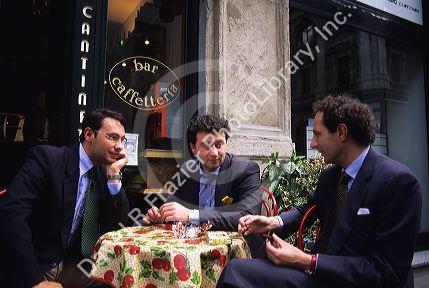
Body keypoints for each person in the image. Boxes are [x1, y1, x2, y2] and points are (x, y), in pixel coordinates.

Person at [217, 95, 422, 288]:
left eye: (317, 134)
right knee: (237, 269)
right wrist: (272, 222)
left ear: (341, 133)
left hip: (342, 282)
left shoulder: (397, 182)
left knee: (237, 272)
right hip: (317, 273)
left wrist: (306, 260)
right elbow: (305, 209)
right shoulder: (331, 176)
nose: (313, 144)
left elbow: (386, 274)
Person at [0, 109, 130, 288]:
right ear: (89, 134)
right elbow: (11, 215)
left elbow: (118, 226)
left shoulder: (104, 173)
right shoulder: (48, 159)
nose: (119, 146)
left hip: (75, 266)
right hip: (36, 264)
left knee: (122, 278)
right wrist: (34, 280)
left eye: (122, 140)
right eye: (113, 137)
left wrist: (114, 176)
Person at [142, 114, 265, 257]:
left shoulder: (245, 170)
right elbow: (173, 208)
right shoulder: (185, 173)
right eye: (206, 145)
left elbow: (248, 216)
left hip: (238, 255)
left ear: (226, 142)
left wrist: (191, 215)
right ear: (193, 148)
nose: (214, 153)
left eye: (219, 144)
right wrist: (159, 216)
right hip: (194, 251)